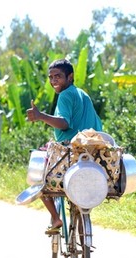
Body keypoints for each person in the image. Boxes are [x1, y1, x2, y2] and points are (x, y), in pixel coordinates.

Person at [26, 59, 103, 235]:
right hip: (92, 151)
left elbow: (64, 123)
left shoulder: (66, 95)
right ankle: (84, 239)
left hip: (69, 150)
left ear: (70, 77)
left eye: (58, 76)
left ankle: (55, 218)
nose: (54, 81)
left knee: (40, 176)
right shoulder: (82, 94)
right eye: (51, 77)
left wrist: (39, 115)